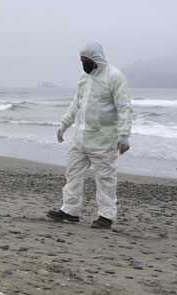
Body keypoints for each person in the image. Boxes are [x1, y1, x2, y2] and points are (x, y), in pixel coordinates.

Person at [47, 42, 132, 230]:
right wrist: (64, 123)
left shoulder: (114, 77)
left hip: (104, 139)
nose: (84, 64)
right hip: (80, 137)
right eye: (81, 61)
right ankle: (69, 210)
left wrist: (124, 134)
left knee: (105, 178)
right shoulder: (84, 78)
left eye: (86, 61)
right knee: (72, 173)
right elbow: (76, 103)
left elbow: (124, 106)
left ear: (97, 60)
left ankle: (106, 216)